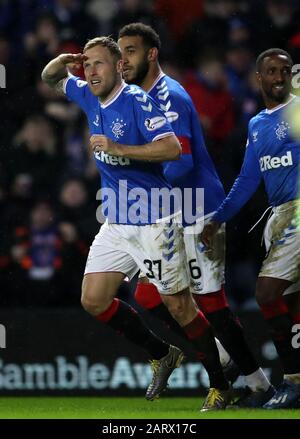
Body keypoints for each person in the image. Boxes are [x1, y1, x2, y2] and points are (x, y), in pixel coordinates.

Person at [41, 36, 232, 411]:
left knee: (178, 307)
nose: (90, 71)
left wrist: (118, 148)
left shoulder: (137, 101)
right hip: (116, 221)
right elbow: (50, 78)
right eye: (86, 65)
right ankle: (162, 353)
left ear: (117, 67)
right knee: (93, 300)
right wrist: (63, 59)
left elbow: (172, 147)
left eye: (98, 64)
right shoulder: (89, 95)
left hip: (155, 221)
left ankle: (220, 384)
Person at [118, 22, 273, 408]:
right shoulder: (139, 97)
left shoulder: (169, 96)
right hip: (168, 213)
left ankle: (258, 383)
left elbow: (181, 161)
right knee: (147, 295)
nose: (123, 62)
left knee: (211, 303)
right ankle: (221, 357)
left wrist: (136, 168)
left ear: (152, 54)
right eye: (119, 54)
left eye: (131, 52)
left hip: (196, 208)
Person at [201, 48, 300, 409]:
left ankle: (292, 382)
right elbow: (247, 179)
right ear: (258, 78)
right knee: (289, 300)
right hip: (279, 216)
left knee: (267, 293)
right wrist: (218, 218)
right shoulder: (257, 124)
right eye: (271, 71)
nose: (278, 77)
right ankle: (295, 381)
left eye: (285, 70)